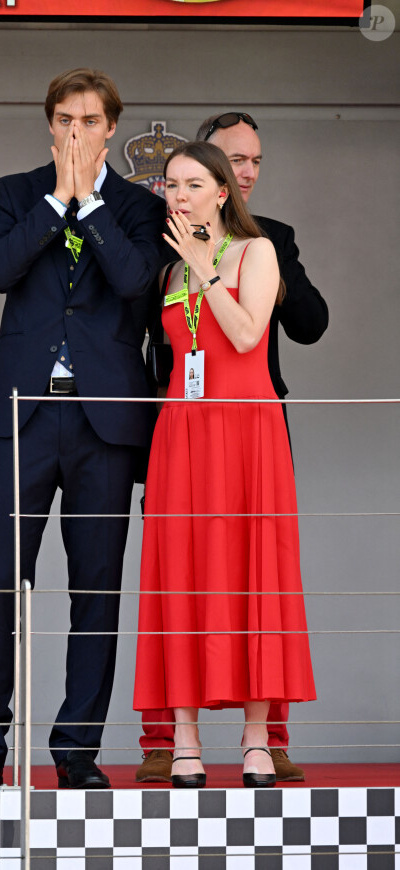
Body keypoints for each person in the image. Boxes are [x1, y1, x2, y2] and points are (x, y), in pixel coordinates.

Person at [0, 68, 165, 791]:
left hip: (106, 420)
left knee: (97, 587)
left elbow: (133, 282)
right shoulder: (14, 192)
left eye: (89, 121)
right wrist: (58, 199)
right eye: (63, 119)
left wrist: (88, 205)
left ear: (112, 128)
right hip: (23, 411)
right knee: (0, 580)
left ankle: (77, 749)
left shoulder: (135, 207)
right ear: (48, 123)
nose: (75, 133)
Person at [136, 112, 328, 785]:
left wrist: (203, 267)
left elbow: (249, 337)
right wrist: (184, 265)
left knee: (254, 573)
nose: (179, 194)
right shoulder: (165, 273)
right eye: (170, 185)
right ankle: (183, 735)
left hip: (247, 429)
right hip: (181, 431)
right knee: (179, 577)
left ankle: (254, 738)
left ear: (223, 192)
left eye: (193, 183)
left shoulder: (257, 251)